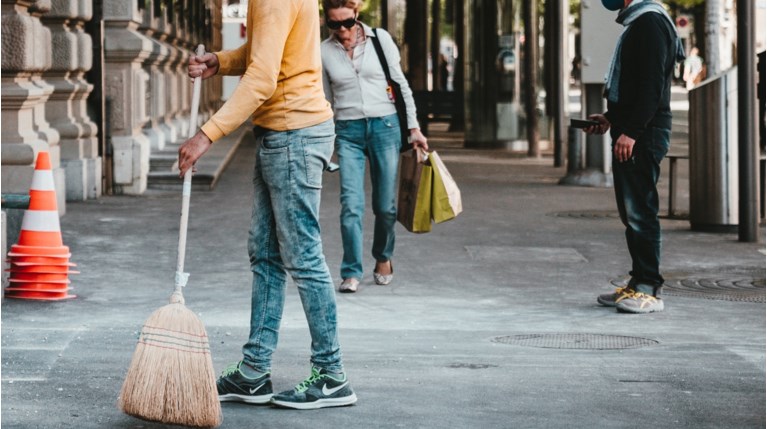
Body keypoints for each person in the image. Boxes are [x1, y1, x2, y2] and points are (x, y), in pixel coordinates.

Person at [178, 0, 357, 410]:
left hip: (294, 133)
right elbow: (264, 52)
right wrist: (218, 63)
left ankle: (332, 375)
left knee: (302, 256)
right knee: (266, 254)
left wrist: (207, 135)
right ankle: (254, 372)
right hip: (280, 133)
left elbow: (261, 77)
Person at [320, 0, 428, 293]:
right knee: (351, 205)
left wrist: (414, 128)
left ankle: (383, 256)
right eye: (334, 24)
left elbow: (401, 84)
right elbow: (325, 100)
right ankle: (351, 271)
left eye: (347, 22)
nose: (342, 30)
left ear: (356, 15)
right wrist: (325, 142)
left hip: (385, 126)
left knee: (385, 205)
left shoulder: (380, 40)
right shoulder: (324, 51)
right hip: (348, 131)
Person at [584, 0, 685, 314]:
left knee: (640, 211)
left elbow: (651, 86)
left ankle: (649, 289)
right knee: (633, 212)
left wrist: (632, 132)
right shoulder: (641, 22)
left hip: (645, 133)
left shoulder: (650, 24)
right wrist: (611, 118)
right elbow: (635, 87)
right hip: (636, 130)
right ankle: (638, 281)